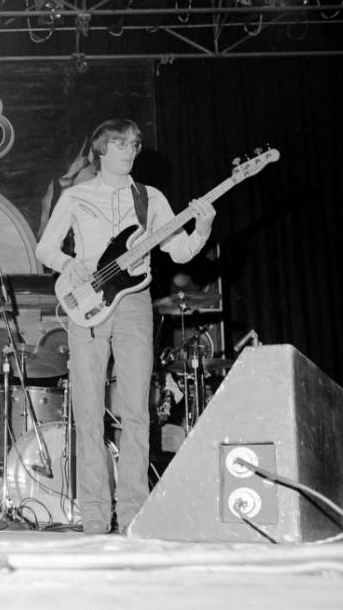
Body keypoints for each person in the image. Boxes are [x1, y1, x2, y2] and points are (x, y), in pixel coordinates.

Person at [35, 118, 215, 535]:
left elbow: (180, 251)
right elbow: (45, 248)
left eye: (134, 144)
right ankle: (95, 517)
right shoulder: (76, 196)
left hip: (134, 303)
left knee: (136, 411)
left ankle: (132, 513)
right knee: (88, 412)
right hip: (87, 303)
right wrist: (68, 263)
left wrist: (202, 227)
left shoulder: (150, 199)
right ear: (100, 149)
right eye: (120, 144)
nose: (129, 151)